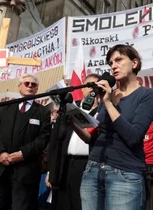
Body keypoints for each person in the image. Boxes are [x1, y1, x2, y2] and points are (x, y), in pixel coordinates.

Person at [72, 44, 153, 210]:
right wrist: (73, 123)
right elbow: (92, 138)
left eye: (118, 59)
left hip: (124, 174)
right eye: (111, 62)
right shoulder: (109, 95)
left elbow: (133, 137)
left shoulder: (147, 95)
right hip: (93, 170)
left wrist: (107, 102)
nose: (113, 66)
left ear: (134, 63)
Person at [0, 74, 51, 210]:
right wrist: (0, 153)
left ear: (37, 89)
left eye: (33, 84)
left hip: (25, 172)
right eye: (26, 83)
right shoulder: (5, 107)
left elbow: (43, 138)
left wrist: (22, 154)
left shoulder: (43, 112)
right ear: (19, 87)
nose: (30, 86)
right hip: (0, 170)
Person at [45, 73, 100, 209]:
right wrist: (50, 171)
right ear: (82, 88)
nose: (92, 89)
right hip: (65, 163)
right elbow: (54, 141)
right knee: (63, 203)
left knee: (81, 203)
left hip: (87, 165)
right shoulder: (69, 109)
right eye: (89, 85)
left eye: (95, 86)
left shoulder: (102, 112)